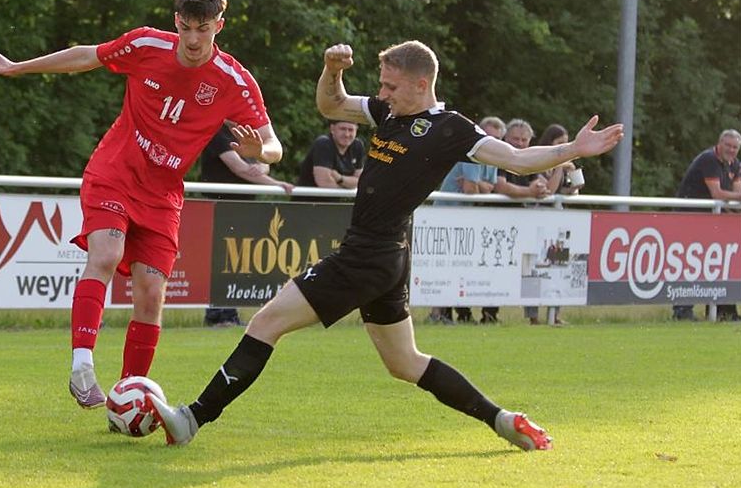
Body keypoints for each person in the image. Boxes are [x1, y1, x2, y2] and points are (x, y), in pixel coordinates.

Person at [149, 40, 623, 451]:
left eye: (391, 86)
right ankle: (501, 419)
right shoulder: (387, 113)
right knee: (405, 363)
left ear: (421, 84)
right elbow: (332, 106)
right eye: (380, 85)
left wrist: (574, 150)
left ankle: (191, 418)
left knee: (267, 321)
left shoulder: (450, 128)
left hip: (369, 255)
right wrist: (332, 70)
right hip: (387, 257)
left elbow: (518, 160)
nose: (381, 95)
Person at [0, 0, 286, 409]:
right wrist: (18, 66)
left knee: (151, 294)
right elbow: (87, 55)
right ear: (176, 21)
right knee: (105, 254)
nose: (194, 39)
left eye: (205, 28)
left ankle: (128, 398)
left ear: (220, 24)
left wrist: (264, 154)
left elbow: (273, 143)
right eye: (187, 27)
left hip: (163, 194)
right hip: (115, 171)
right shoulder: (146, 44)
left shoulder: (233, 80)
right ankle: (81, 366)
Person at [199, 122, 294, 326]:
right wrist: (276, 184)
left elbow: (264, 162)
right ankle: (218, 315)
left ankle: (227, 315)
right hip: (220, 206)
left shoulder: (249, 132)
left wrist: (260, 166)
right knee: (221, 260)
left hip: (241, 206)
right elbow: (239, 168)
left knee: (234, 260)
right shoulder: (218, 131)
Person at [429, 116, 506, 325]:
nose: (493, 141)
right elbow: (472, 190)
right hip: (447, 216)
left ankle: (454, 314)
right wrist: (479, 186)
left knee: (460, 268)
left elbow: (488, 188)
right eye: (489, 136)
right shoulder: (471, 154)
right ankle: (439, 313)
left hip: (466, 219)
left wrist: (476, 185)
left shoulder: (495, 157)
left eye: (498, 138)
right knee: (443, 266)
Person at [672, 129, 741, 322]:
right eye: (728, 146)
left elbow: (737, 192)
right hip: (689, 219)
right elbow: (718, 194)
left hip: (710, 222)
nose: (731, 150)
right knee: (689, 265)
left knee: (719, 264)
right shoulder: (709, 160)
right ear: (719, 144)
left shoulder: (735, 164)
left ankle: (724, 311)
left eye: (735, 147)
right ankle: (682, 311)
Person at [522, 123, 584, 326]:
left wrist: (574, 176)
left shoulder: (565, 165)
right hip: (537, 220)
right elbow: (549, 189)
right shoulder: (537, 163)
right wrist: (558, 166)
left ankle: (554, 313)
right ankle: (533, 316)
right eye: (559, 143)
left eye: (566, 143)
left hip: (557, 222)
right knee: (533, 267)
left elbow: (570, 191)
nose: (564, 147)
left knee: (558, 266)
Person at [492, 119, 551, 325]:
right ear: (506, 138)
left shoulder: (530, 161)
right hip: (497, 221)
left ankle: (532, 316)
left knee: (529, 269)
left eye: (523, 140)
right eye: (515, 139)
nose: (518, 144)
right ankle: (488, 314)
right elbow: (501, 186)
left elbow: (541, 185)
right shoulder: (499, 157)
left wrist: (540, 187)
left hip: (522, 223)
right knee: (494, 268)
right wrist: (530, 192)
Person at [294, 119, 365, 202]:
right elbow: (324, 182)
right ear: (332, 129)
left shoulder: (357, 146)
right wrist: (347, 186)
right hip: (307, 204)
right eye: (342, 129)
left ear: (356, 130)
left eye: (351, 130)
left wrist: (339, 178)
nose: (347, 134)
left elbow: (360, 181)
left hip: (336, 205)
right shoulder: (324, 143)